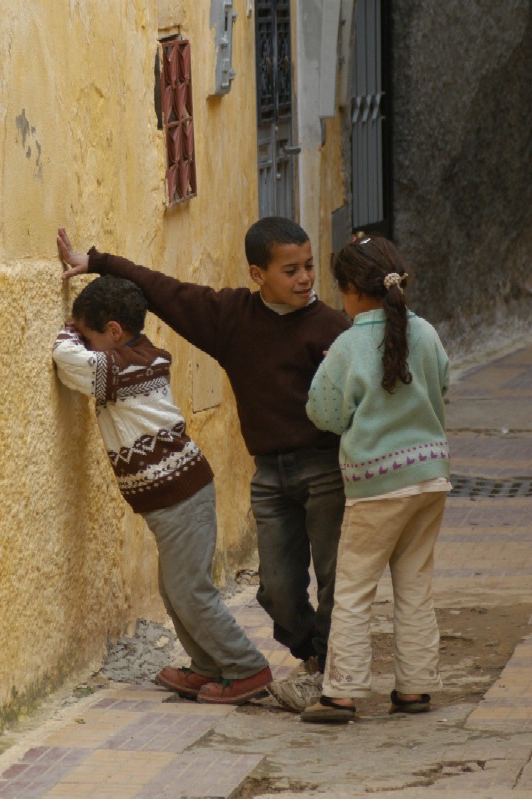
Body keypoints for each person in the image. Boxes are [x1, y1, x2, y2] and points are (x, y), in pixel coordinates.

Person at [56, 219, 349, 713]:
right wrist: (98, 263)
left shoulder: (332, 328)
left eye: (309, 267)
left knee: (335, 578)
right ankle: (292, 657)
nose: (305, 279)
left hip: (325, 468)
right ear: (258, 274)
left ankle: (320, 670)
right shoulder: (231, 318)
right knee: (275, 590)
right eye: (291, 270)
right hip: (271, 475)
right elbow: (163, 291)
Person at [52, 273, 272, 705]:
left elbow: (67, 359)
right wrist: (83, 329)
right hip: (176, 496)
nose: (85, 342)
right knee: (176, 589)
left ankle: (247, 667)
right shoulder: (139, 357)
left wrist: (68, 328)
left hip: (180, 496)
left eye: (90, 335)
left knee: (190, 590)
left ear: (114, 332)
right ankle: (208, 666)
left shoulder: (122, 368)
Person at [300, 235, 451, 724]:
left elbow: (322, 412)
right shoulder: (424, 332)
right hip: (430, 477)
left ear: (350, 290)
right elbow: (443, 382)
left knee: (355, 587)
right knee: (414, 584)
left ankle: (341, 691)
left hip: (375, 485)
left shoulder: (347, 345)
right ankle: (415, 686)